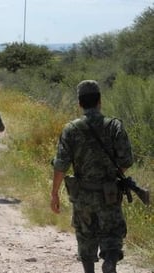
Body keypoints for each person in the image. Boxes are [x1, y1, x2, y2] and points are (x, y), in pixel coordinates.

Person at [50, 80, 134, 273]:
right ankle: (110, 262)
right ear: (100, 101)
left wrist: (54, 193)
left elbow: (61, 165)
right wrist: (113, 174)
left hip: (83, 195)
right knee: (112, 236)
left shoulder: (71, 129)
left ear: (80, 103)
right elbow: (127, 159)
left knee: (86, 238)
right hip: (110, 194)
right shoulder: (114, 126)